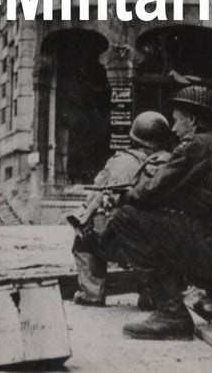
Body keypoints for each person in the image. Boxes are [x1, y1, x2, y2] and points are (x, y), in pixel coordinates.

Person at [99, 85, 212, 339]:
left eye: (177, 121)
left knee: (125, 218)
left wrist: (120, 197)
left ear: (191, 120)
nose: (175, 130)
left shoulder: (195, 145)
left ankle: (171, 313)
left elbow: (148, 193)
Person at [71, 110, 172, 306]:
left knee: (84, 234)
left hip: (119, 242)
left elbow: (94, 201)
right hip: (158, 243)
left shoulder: (119, 162)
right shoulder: (171, 161)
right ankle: (151, 295)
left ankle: (92, 294)